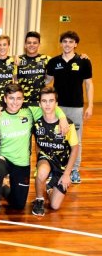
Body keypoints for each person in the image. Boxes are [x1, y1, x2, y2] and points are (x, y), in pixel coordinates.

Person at [0, 83, 68, 224]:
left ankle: (2, 188)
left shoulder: (30, 111)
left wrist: (63, 118)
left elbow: (50, 107)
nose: (15, 102)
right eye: (11, 98)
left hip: (22, 163)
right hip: (3, 157)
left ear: (23, 99)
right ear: (5, 99)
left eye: (18, 98)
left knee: (18, 205)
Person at [46, 31, 93, 184]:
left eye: (70, 42)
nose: (67, 44)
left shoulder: (84, 61)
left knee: (75, 140)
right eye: (64, 41)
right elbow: (47, 81)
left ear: (75, 44)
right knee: (56, 138)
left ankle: (74, 170)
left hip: (76, 107)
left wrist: (90, 105)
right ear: (61, 43)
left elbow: (88, 84)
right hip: (57, 107)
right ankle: (55, 169)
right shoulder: (53, 62)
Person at [32, 87, 79, 216]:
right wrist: (38, 162)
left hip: (62, 165)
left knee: (54, 206)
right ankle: (39, 200)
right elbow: (36, 143)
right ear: (40, 103)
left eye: (51, 101)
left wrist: (67, 174)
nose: (47, 104)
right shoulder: (36, 123)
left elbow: (75, 148)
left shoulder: (67, 125)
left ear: (56, 104)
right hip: (46, 158)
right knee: (41, 172)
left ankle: (48, 189)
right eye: (44, 101)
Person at [16, 31, 50, 106]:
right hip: (22, 103)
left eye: (35, 43)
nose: (32, 45)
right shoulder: (18, 60)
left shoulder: (46, 59)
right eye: (29, 43)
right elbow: (14, 79)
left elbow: (50, 77)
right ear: (25, 45)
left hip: (41, 103)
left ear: (39, 45)